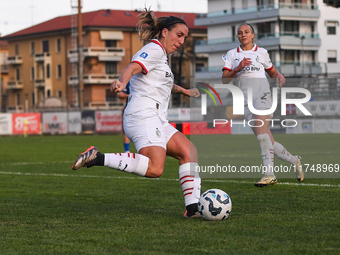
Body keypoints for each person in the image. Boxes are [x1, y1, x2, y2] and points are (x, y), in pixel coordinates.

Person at [72, 8, 202, 217]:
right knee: (155, 169)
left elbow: (165, 84)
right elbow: (132, 68)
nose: (182, 41)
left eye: (185, 37)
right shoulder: (154, 49)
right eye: (179, 35)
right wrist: (121, 82)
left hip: (157, 118)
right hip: (143, 115)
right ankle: (98, 157)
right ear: (165, 32)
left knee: (189, 152)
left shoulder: (162, 57)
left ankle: (193, 208)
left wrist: (185, 91)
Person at [222, 23, 304, 187]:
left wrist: (278, 74)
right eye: (240, 33)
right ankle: (296, 161)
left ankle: (269, 175)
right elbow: (225, 79)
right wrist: (238, 68)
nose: (243, 35)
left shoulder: (262, 52)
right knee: (268, 141)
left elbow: (271, 71)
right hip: (245, 101)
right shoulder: (231, 54)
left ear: (253, 35)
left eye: (246, 32)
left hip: (263, 96)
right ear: (237, 36)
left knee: (261, 135)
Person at [118, 81, 131, 153]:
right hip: (129, 109)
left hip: (142, 110)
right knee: (126, 131)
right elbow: (120, 94)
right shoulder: (129, 82)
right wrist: (129, 95)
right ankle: (127, 152)